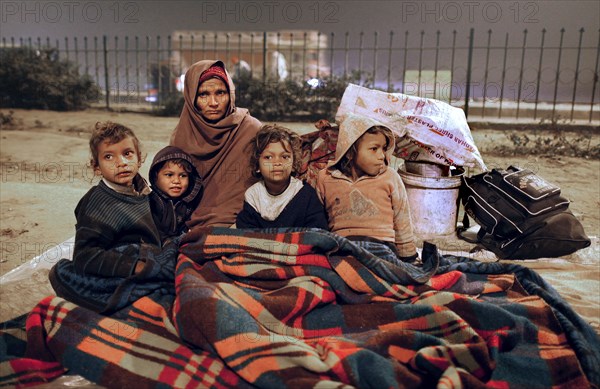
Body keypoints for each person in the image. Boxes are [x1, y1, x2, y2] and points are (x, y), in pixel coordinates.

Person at [170, 59, 262, 228]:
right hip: (191, 222)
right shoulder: (182, 137)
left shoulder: (250, 129)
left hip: (242, 222)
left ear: (231, 94)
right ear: (191, 98)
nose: (213, 102)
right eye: (203, 94)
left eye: (220, 93)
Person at [315, 113, 419, 263]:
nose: (381, 156)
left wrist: (408, 256)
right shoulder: (326, 177)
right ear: (350, 152)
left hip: (382, 247)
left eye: (383, 149)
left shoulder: (390, 177)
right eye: (374, 149)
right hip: (342, 246)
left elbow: (401, 219)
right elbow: (319, 220)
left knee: (385, 270)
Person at [70, 121, 162, 277]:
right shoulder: (97, 203)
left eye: (127, 153)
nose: (121, 163)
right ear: (96, 167)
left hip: (151, 256)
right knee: (62, 273)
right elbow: (83, 256)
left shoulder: (145, 191)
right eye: (108, 156)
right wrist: (134, 266)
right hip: (122, 265)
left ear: (139, 158)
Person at [236, 124, 328, 229]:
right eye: (268, 157)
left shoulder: (306, 194)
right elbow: (246, 233)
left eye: (285, 157)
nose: (277, 162)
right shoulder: (253, 196)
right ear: (257, 165)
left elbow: (318, 232)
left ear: (293, 164)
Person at [148, 146, 203, 241]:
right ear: (155, 177)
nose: (176, 181)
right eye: (169, 175)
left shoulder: (187, 203)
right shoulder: (151, 202)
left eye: (183, 175)